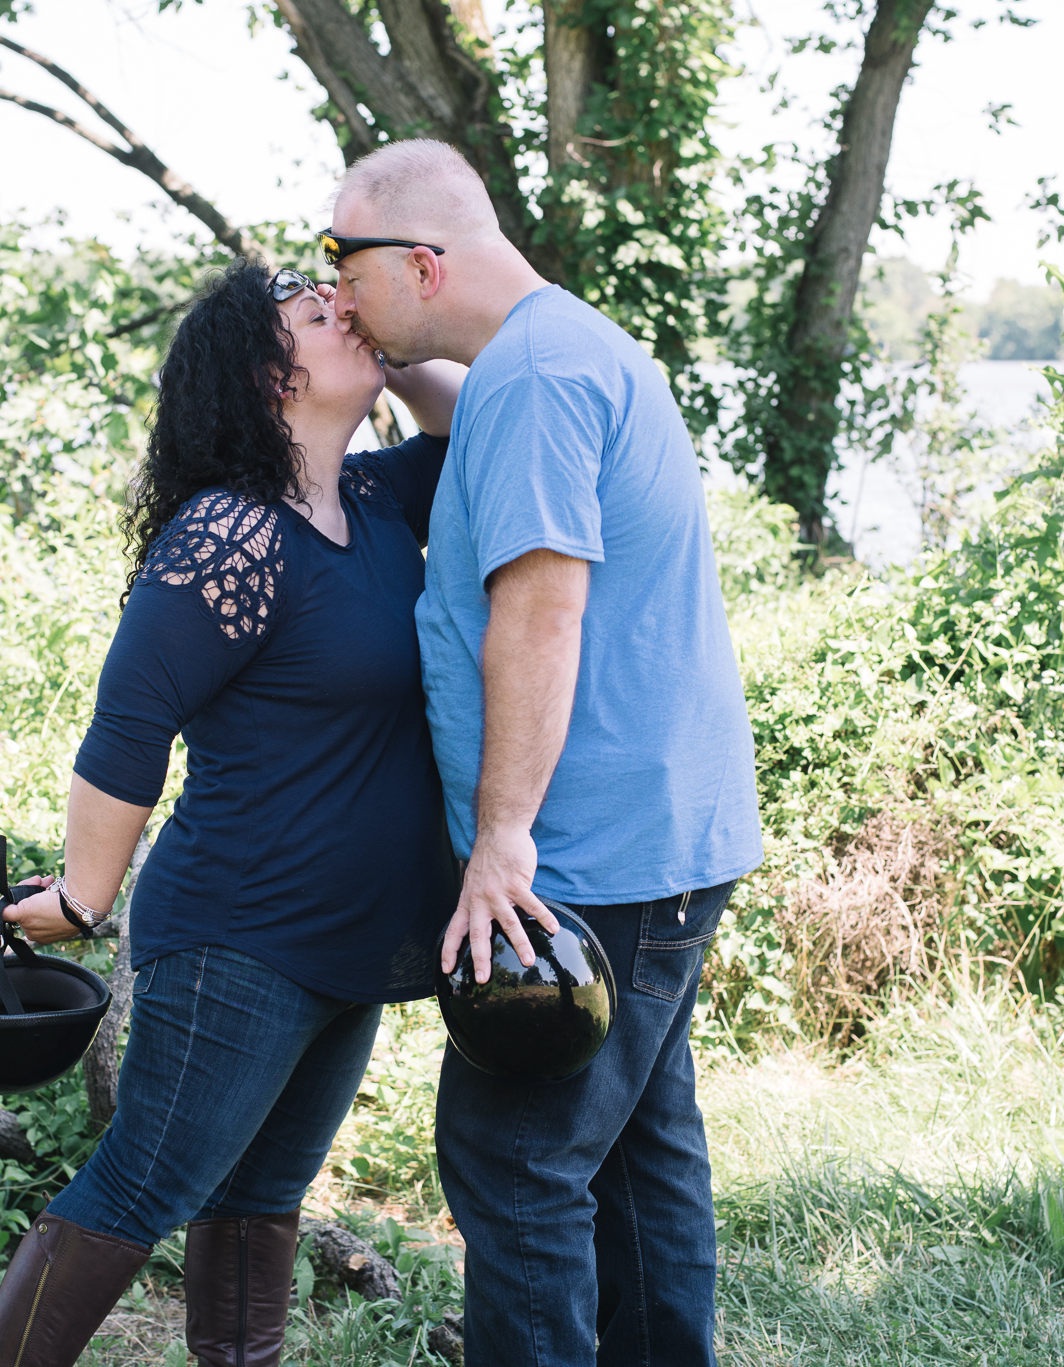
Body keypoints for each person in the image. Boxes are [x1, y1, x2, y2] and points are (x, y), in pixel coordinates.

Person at [0, 259, 465, 1367]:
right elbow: (131, 717)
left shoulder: (380, 501)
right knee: (148, 1177)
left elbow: (471, 417)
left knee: (260, 1192)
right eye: (313, 315)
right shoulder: (229, 535)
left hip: (346, 942)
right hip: (241, 935)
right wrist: (84, 895)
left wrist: (397, 323)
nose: (342, 315)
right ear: (267, 375)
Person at [328, 140, 764, 1366]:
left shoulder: (533, 381)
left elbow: (541, 607)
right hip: (663, 833)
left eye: (339, 263)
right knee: (632, 1154)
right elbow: (485, 433)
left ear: (419, 263)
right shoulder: (558, 350)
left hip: (585, 852)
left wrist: (501, 839)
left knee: (513, 1158)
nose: (332, 291)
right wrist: (410, 376)